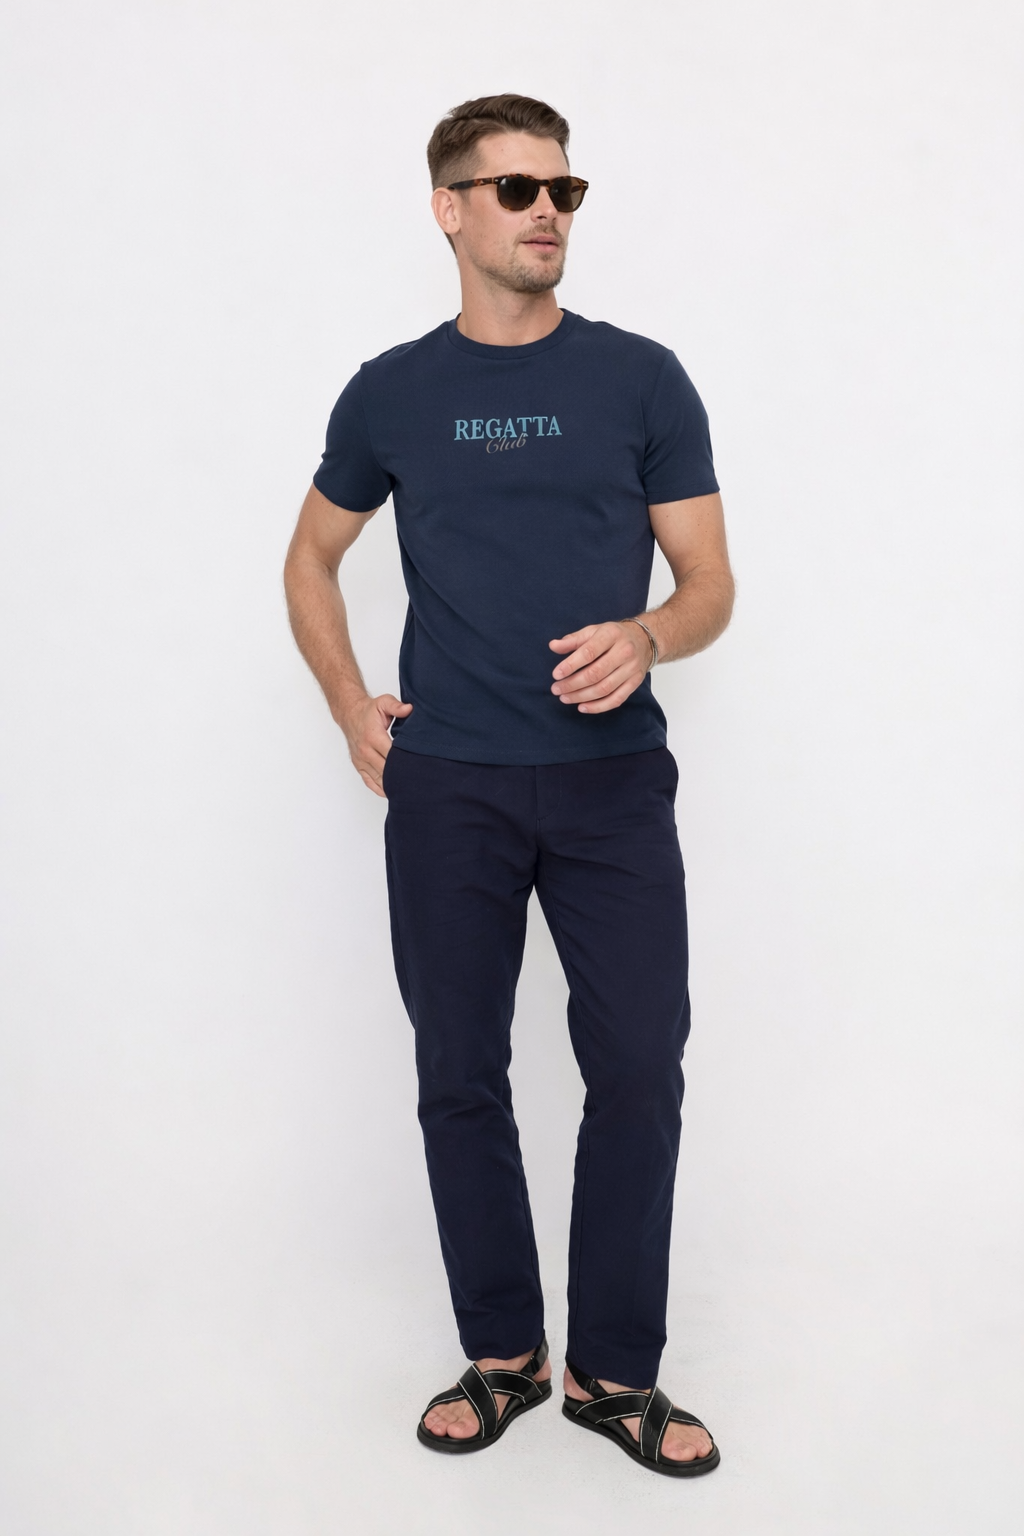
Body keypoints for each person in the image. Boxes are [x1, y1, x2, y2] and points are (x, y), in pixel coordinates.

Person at [283, 93, 734, 1477]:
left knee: (639, 1069)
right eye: (519, 189)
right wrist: (352, 706)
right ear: (451, 209)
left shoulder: (642, 378)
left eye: (565, 190)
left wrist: (648, 634)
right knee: (458, 1074)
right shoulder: (391, 391)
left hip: (612, 786)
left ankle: (614, 1371)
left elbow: (709, 584)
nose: (549, 212)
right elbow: (310, 560)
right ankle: (504, 1354)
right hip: (451, 791)